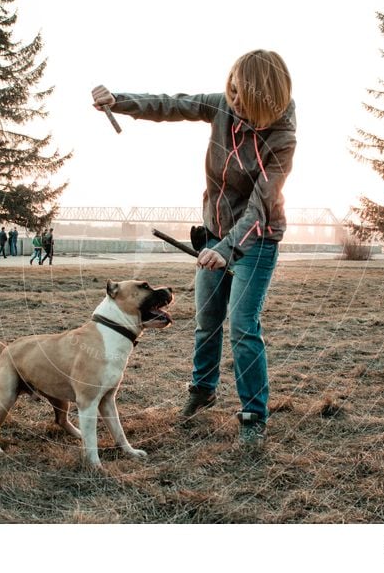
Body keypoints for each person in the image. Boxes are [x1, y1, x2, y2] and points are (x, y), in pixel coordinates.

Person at [92, 49, 296, 448]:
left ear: (265, 99)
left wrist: (228, 247)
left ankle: (254, 414)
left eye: (242, 98)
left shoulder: (282, 137)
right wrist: (119, 100)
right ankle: (202, 391)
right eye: (231, 91)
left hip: (255, 239)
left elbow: (261, 204)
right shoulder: (221, 105)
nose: (233, 101)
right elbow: (172, 104)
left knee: (242, 326)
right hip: (212, 235)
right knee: (207, 321)